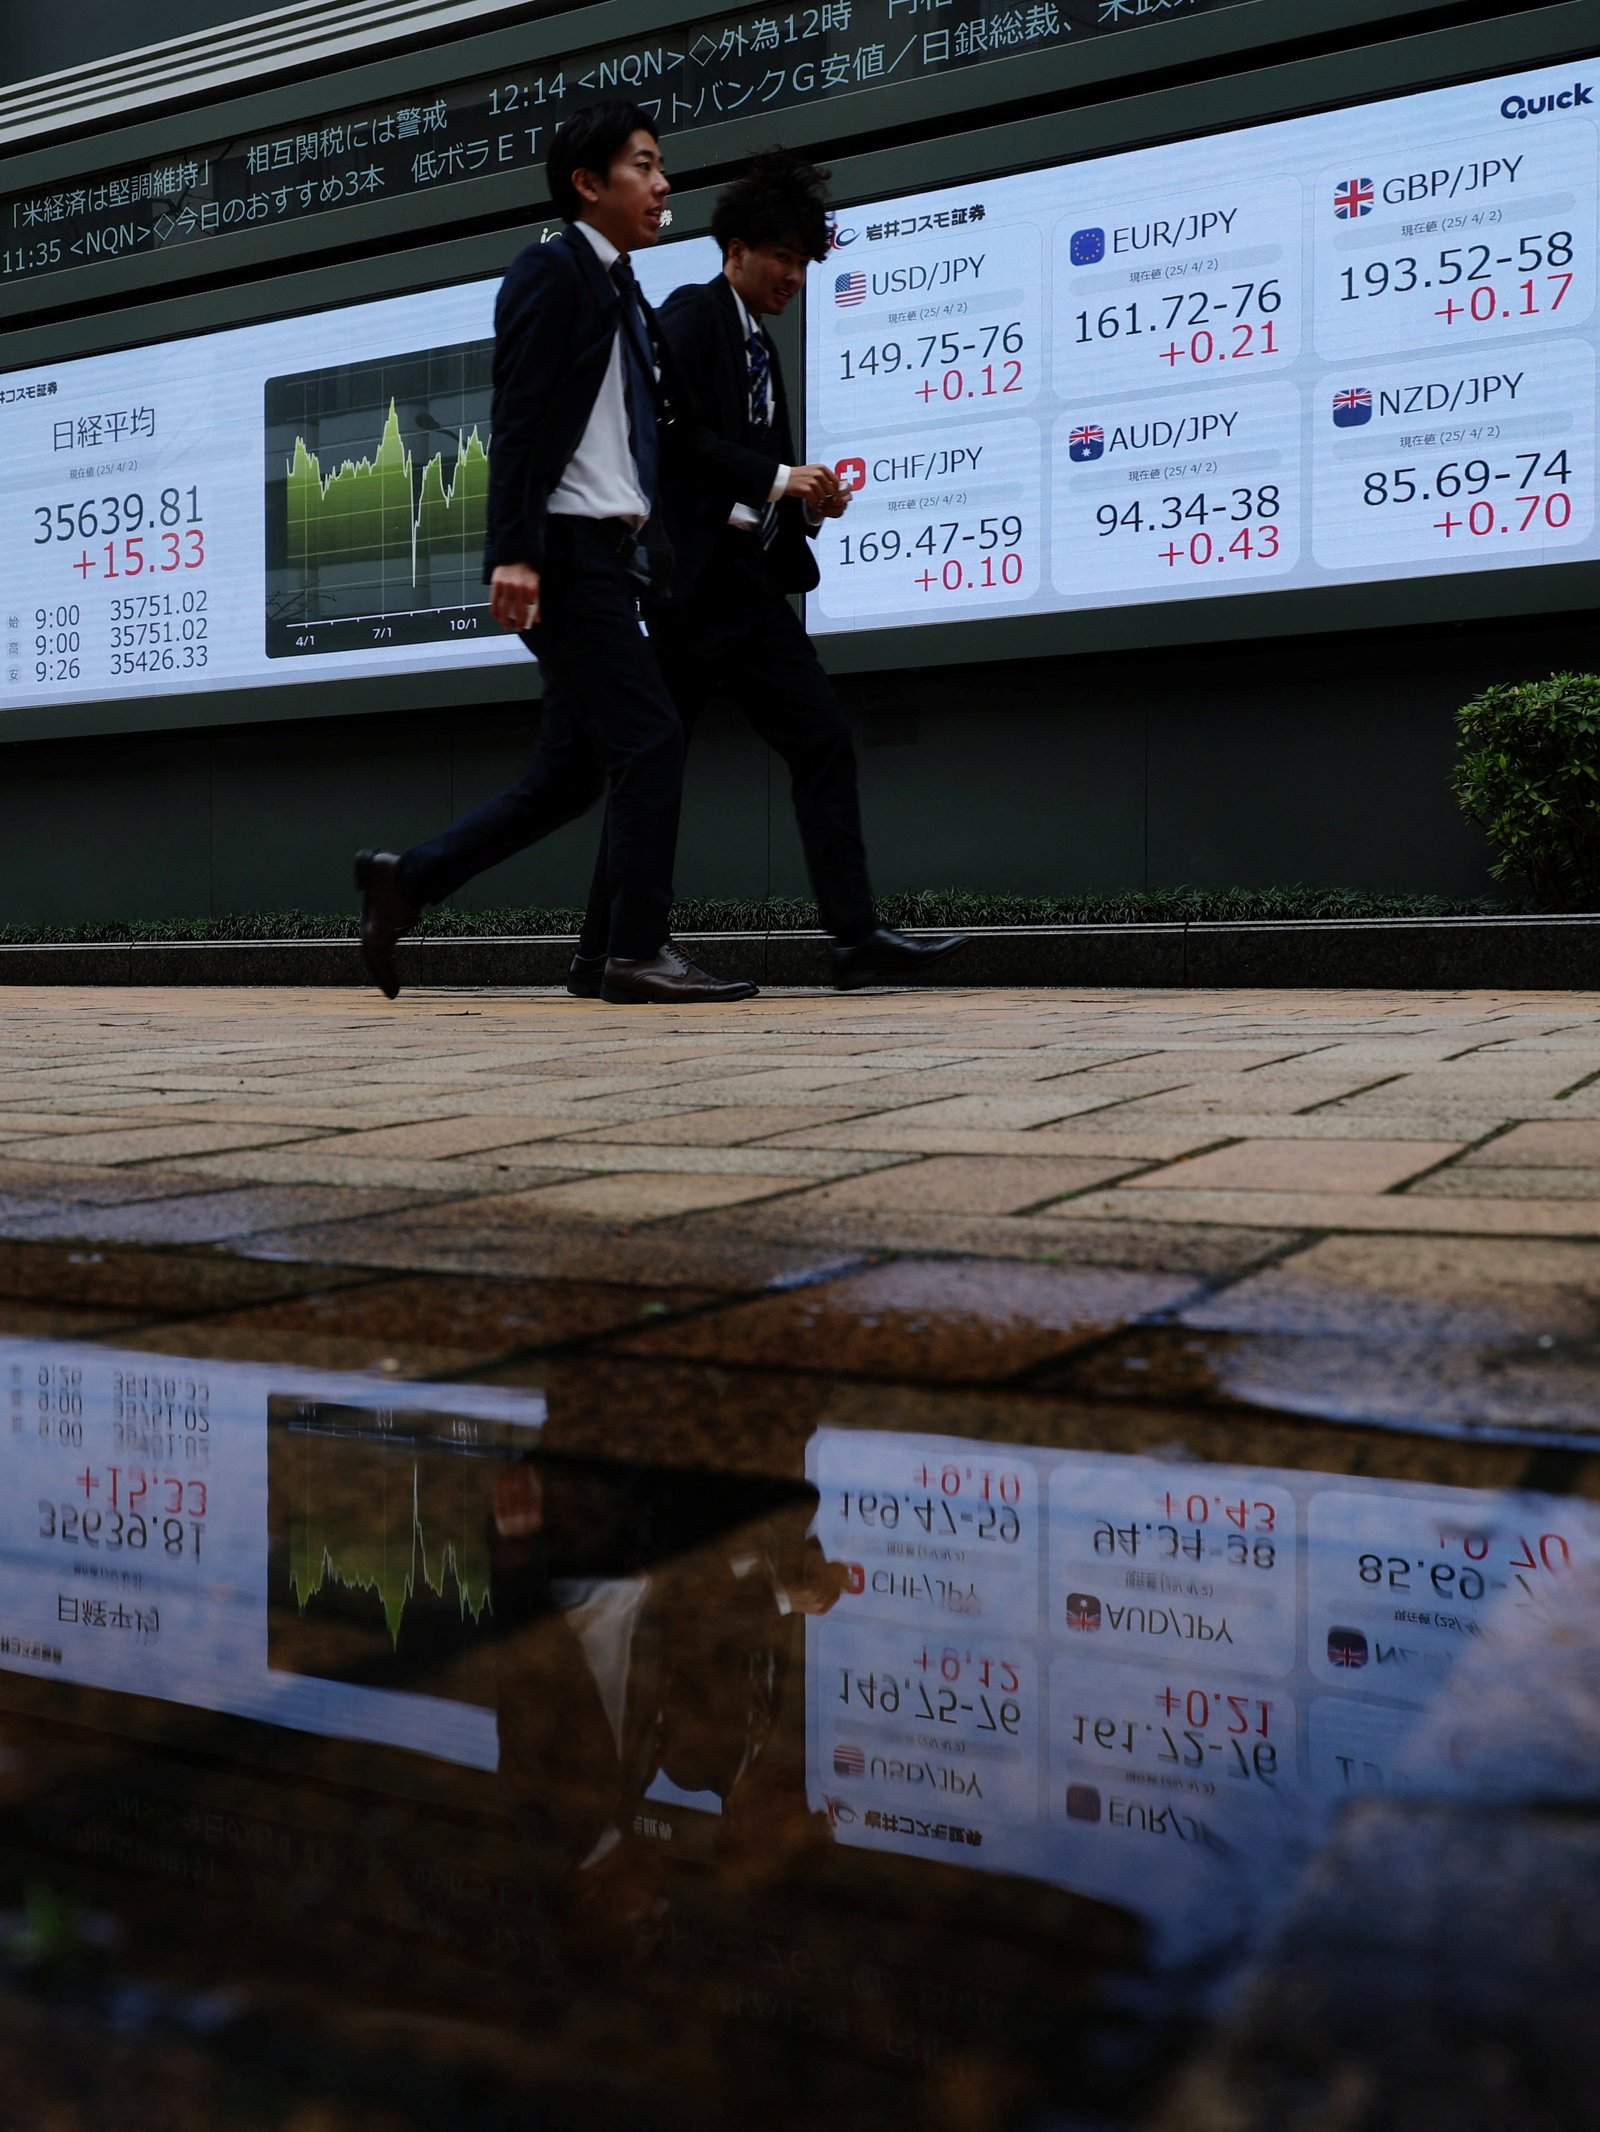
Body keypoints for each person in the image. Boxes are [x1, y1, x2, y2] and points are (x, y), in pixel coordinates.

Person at [354, 103, 756, 1006]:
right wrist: (515, 552)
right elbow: (520, 416)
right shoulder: (552, 271)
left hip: (607, 556)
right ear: (588, 183)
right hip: (565, 553)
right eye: (644, 166)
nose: (663, 185)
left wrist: (755, 496)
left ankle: (408, 881)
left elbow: (655, 442)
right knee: (652, 740)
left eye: (662, 167)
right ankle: (635, 952)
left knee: (572, 773)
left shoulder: (626, 296)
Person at [566, 148, 968, 998]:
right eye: (782, 257)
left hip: (740, 588)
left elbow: (744, 471)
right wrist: (780, 478)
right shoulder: (693, 315)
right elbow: (672, 441)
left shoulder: (757, 345)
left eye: (804, 261)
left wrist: (802, 503)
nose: (794, 276)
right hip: (693, 591)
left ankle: (848, 943)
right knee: (659, 761)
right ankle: (616, 952)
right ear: (736, 249)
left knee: (798, 742)